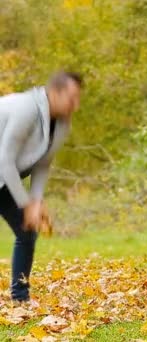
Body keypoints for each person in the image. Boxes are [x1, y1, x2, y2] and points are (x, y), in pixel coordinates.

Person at [0, 71, 83, 303]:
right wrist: (26, 204)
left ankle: (20, 299)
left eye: (78, 99)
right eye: (71, 98)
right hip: (2, 169)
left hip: (4, 178)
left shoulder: (62, 123)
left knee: (27, 231)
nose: (75, 105)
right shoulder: (26, 109)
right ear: (55, 93)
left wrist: (36, 201)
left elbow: (43, 163)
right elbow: (5, 161)